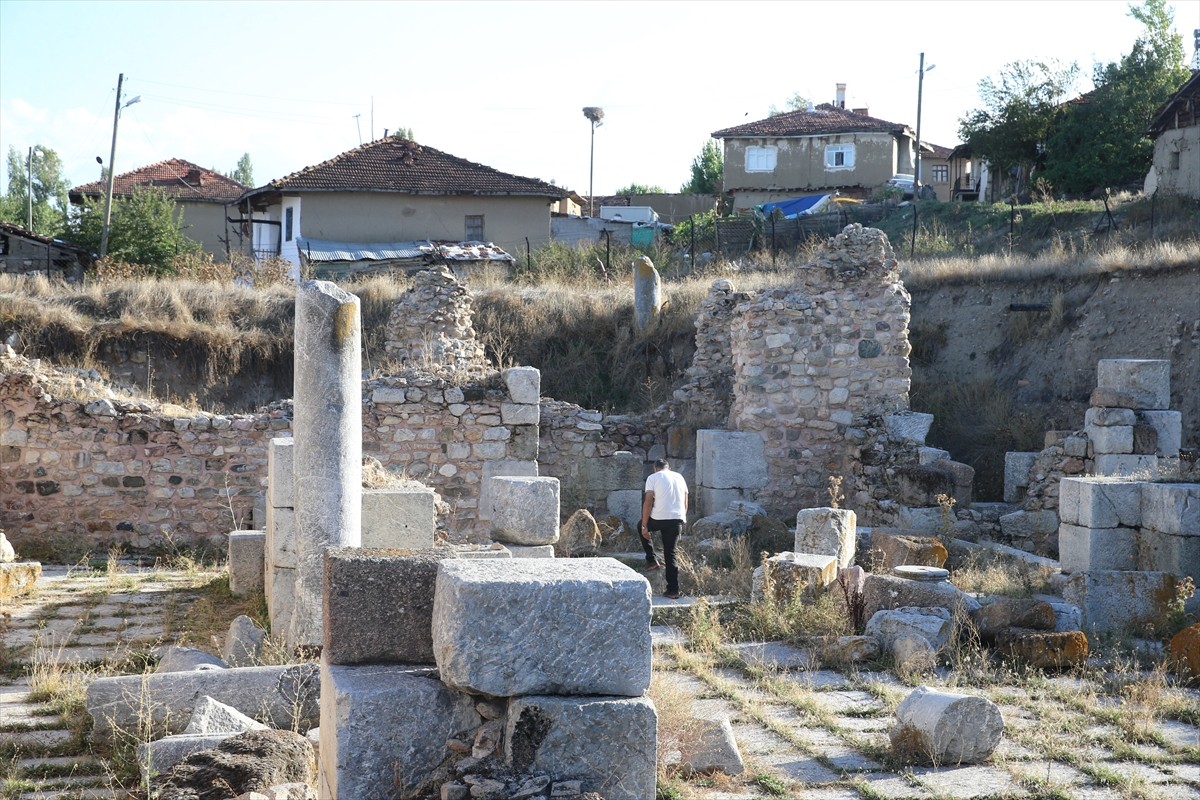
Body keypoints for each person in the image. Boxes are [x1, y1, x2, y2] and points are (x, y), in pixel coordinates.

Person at [639, 458, 688, 599]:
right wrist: (681, 519)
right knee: (670, 553)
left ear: (655, 468)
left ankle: (652, 560)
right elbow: (685, 502)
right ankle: (673, 590)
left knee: (639, 525)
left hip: (659, 519)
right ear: (669, 467)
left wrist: (644, 526)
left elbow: (648, 502)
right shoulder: (680, 477)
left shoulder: (653, 477)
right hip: (677, 518)